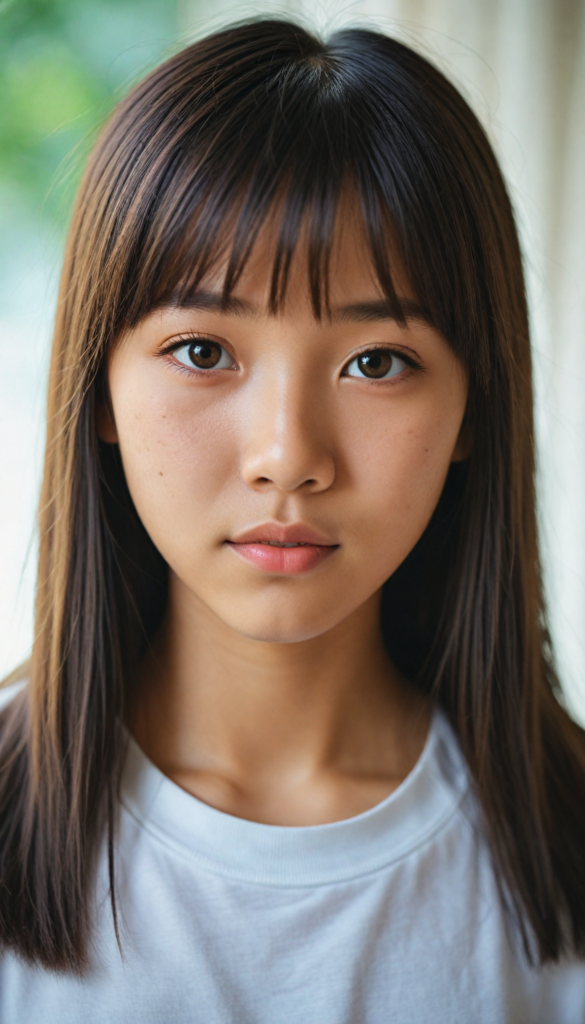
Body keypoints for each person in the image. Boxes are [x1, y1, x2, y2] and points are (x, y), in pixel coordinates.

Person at [0, 18, 584, 1023]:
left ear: (472, 410)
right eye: (202, 351)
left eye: (376, 362)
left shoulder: (563, 854)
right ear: (98, 390)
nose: (287, 456)